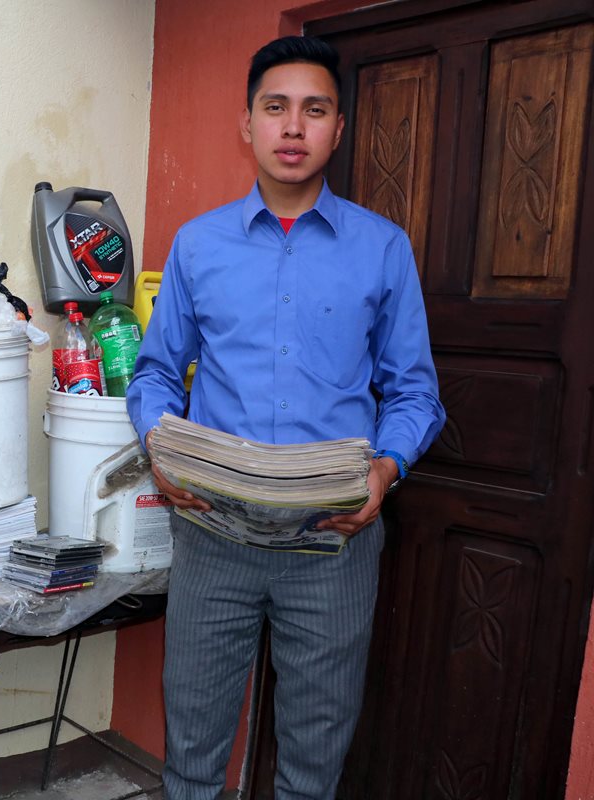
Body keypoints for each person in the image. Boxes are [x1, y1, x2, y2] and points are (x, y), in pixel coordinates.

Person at [126, 35, 446, 799]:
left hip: (332, 543)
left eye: (314, 110)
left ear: (339, 127)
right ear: (248, 125)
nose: (293, 127)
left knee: (313, 763)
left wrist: (385, 468)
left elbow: (415, 392)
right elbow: (155, 375)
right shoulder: (199, 246)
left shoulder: (382, 248)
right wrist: (159, 451)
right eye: (276, 108)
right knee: (192, 758)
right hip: (212, 533)